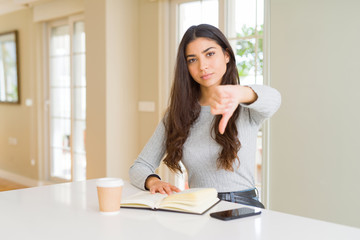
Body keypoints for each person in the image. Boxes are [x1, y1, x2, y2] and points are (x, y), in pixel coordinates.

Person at [129, 24, 281, 208]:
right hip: (198, 207)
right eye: (192, 60)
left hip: (242, 207)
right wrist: (153, 182)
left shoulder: (245, 106)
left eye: (209, 54)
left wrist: (240, 94)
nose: (203, 66)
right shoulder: (177, 114)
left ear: (226, 55)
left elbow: (274, 99)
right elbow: (139, 167)